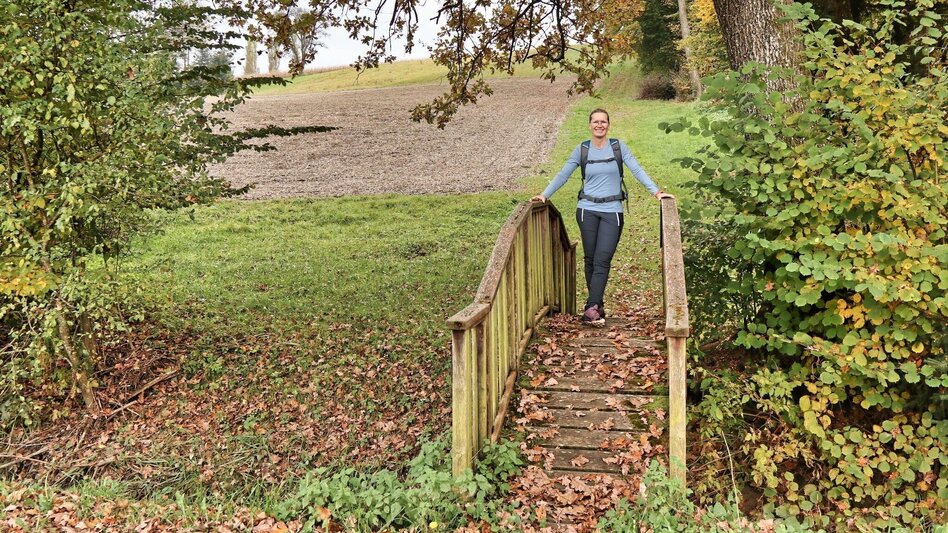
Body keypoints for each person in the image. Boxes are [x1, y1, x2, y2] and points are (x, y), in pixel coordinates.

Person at [532, 108, 674, 325]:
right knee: (590, 259)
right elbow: (563, 174)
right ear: (590, 125)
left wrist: (656, 191)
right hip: (586, 210)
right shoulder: (582, 150)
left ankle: (590, 308)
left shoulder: (618, 147)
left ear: (608, 125)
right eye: (596, 122)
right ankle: (596, 305)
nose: (600, 125)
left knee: (602, 258)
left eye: (603, 122)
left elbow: (637, 169)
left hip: (612, 211)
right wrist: (544, 194)